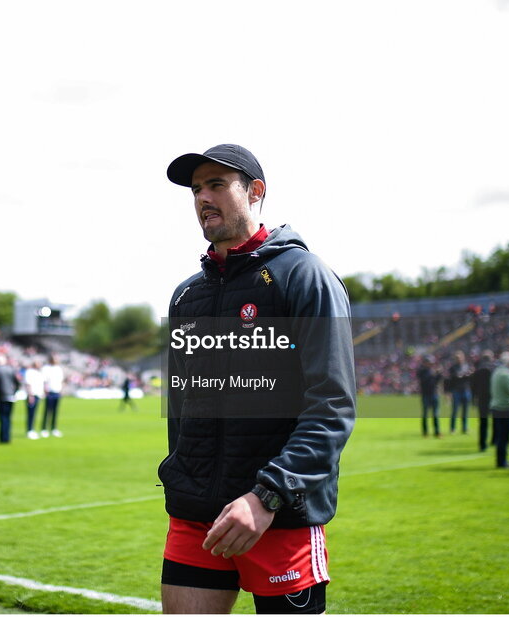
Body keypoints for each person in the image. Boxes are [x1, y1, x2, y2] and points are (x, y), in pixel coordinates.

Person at [159, 144, 356, 614]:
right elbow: (183, 410)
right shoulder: (187, 296)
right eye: (196, 189)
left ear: (255, 191)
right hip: (197, 517)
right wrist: (182, 480)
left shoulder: (303, 276)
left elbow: (331, 406)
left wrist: (268, 494)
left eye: (216, 184)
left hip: (278, 514)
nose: (203, 197)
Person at [0, 353, 20, 444]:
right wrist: (13, 392)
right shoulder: (11, 370)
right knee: (8, 417)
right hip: (10, 397)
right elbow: (17, 383)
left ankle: (3, 438)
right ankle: (7, 437)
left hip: (1, 397)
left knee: (2, 418)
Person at [417, 356, 442, 438]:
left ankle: (437, 432)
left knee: (435, 414)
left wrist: (439, 374)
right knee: (425, 414)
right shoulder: (422, 371)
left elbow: (437, 381)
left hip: (434, 394)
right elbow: (423, 380)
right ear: (425, 363)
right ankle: (425, 432)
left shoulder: (433, 371)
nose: (430, 364)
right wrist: (432, 373)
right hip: (425, 395)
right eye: (429, 362)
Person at [447, 351, 471, 435]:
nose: (458, 359)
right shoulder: (453, 368)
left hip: (465, 390)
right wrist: (449, 393)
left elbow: (469, 376)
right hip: (456, 391)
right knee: (455, 411)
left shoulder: (467, 366)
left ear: (463, 357)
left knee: (465, 411)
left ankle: (464, 428)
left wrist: (464, 375)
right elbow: (451, 379)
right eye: (457, 358)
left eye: (460, 357)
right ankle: (452, 428)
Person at [40, 355, 64, 438]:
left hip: (57, 391)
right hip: (49, 392)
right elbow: (44, 380)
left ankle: (54, 428)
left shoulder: (58, 369)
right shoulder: (46, 368)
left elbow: (61, 381)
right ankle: (44, 428)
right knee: (47, 411)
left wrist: (61, 390)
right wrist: (45, 390)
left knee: (55, 411)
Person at [23, 359, 44, 439]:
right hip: (32, 395)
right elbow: (28, 384)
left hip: (38, 395)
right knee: (30, 413)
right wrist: (30, 395)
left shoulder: (39, 372)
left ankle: (32, 429)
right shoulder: (29, 372)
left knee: (34, 413)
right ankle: (29, 430)